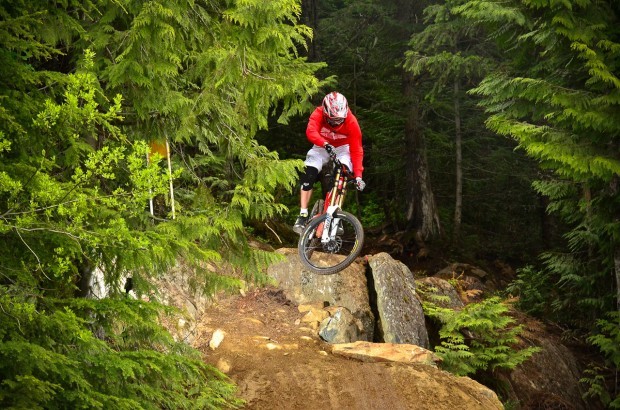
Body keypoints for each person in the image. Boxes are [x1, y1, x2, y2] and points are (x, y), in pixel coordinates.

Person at [293, 91, 365, 234]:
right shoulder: (318, 113)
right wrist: (324, 143)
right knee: (309, 171)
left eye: (340, 120)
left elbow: (356, 150)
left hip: (343, 148)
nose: (336, 123)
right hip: (322, 145)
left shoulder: (351, 121)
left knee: (342, 173)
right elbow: (310, 131)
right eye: (332, 120)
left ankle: (336, 215)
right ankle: (302, 214)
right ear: (326, 113)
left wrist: (358, 176)